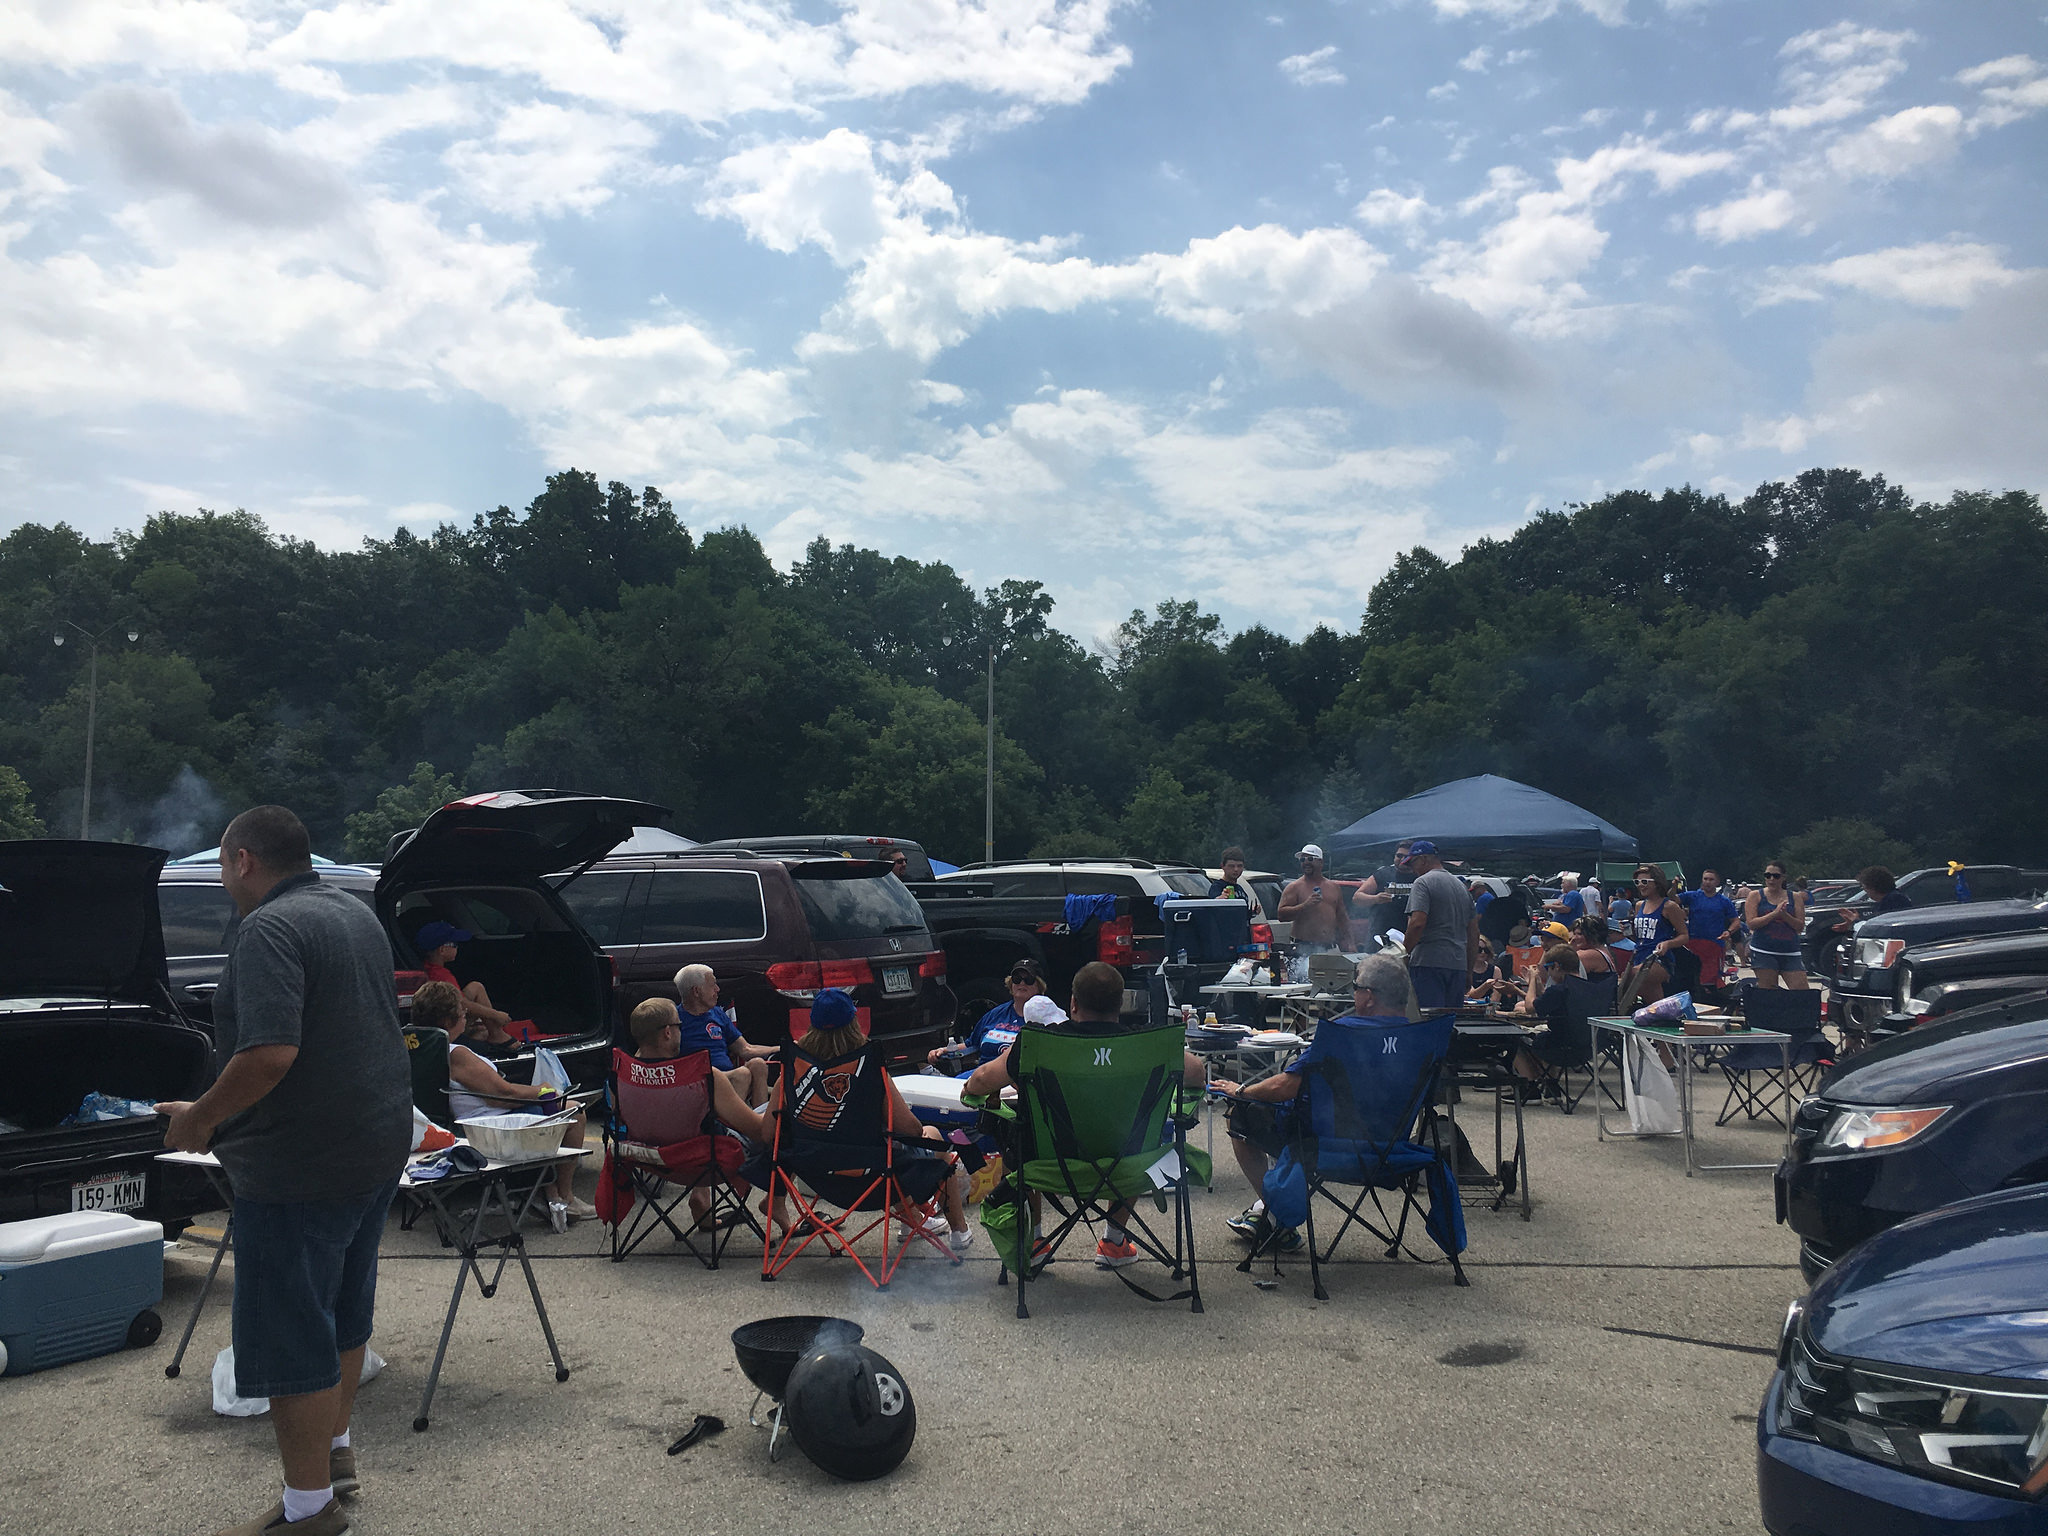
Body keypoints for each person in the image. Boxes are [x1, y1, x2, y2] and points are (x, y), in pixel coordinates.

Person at [156, 806, 412, 1536]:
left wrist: (201, 1118)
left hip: (302, 1165)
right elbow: (333, 1034)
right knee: (342, 1308)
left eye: (222, 869)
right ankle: (334, 1455)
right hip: (372, 1145)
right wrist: (211, 1102)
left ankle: (309, 1513)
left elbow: (270, 1053)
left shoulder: (267, 929)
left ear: (242, 860)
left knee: (291, 1330)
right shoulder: (353, 912)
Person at [963, 961, 1204, 1269]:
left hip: (1049, 1167)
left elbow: (982, 1080)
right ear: (1120, 1004)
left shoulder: (1041, 1044)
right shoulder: (1148, 1045)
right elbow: (1197, 1072)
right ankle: (1114, 1241)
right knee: (1135, 1135)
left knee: (1019, 1132)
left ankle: (1035, 1241)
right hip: (1131, 1166)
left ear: (1073, 1003)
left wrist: (968, 1087)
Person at [1210, 953, 1414, 1253]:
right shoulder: (1418, 1037)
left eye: (1355, 986)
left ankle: (1277, 1213)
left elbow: (1285, 1087)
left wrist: (1241, 1090)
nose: (1352, 992)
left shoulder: (1343, 1035)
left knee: (1239, 1114)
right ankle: (1269, 1214)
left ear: (1369, 997)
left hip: (1327, 1145)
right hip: (1392, 1148)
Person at [772, 989, 971, 1252]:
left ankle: (913, 1221)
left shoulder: (792, 1072)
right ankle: (959, 1233)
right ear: (854, 1023)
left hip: (817, 1175)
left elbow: (768, 1134)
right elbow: (909, 1128)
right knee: (929, 1135)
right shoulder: (868, 1071)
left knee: (893, 1152)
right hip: (872, 1181)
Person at [412, 980, 594, 1224]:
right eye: (462, 1011)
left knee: (554, 1106)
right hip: (484, 1129)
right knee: (573, 1111)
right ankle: (564, 1198)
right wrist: (543, 1090)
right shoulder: (456, 1054)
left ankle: (544, 1190)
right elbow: (502, 1096)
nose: (466, 1014)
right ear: (448, 1021)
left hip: (443, 1124)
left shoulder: (417, 1045)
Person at [624, 995, 770, 1230]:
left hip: (649, 1159)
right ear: (668, 1032)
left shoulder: (623, 1074)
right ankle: (779, 1208)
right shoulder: (703, 1076)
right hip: (705, 1162)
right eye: (679, 1026)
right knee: (781, 1129)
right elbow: (758, 1130)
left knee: (700, 1131)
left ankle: (701, 1198)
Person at [673, 964, 775, 1105]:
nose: (718, 989)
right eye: (713, 985)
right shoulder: (675, 1020)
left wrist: (782, 1047)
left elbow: (745, 1049)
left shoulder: (717, 1014)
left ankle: (760, 1120)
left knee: (758, 1064)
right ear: (696, 991)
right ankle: (730, 1125)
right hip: (697, 1083)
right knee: (742, 1075)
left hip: (728, 1078)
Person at [1400, 840, 1479, 1011]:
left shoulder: (1423, 883)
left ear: (1423, 859)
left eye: (1413, 862)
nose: (1412, 869)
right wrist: (1469, 970)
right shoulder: (1462, 887)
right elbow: (1474, 933)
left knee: (1427, 1019)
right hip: (1457, 966)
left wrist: (1402, 955)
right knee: (1449, 1022)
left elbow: (1417, 923)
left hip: (1428, 963)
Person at [929, 958, 1046, 1072]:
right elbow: (971, 1044)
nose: (1022, 983)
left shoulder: (1047, 1017)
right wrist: (943, 1050)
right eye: (1017, 978)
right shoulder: (996, 1014)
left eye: (1028, 979)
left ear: (1040, 986)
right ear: (1011, 983)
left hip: (1017, 1080)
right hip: (982, 1076)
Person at [414, 920, 517, 1046]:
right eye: (455, 944)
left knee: (476, 987)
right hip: (448, 1019)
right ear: (442, 950)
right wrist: (496, 1015)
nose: (458, 947)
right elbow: (462, 1004)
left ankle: (482, 1032)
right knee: (475, 990)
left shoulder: (429, 969)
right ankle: (497, 1035)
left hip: (443, 1016)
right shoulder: (441, 975)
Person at [1509, 944, 1594, 1089]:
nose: (1547, 973)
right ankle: (1550, 1087)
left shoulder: (1559, 990)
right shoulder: (1589, 988)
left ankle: (1530, 1087)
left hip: (1559, 1046)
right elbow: (1546, 1002)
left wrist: (1532, 981)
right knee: (1545, 1036)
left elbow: (1530, 1008)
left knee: (1513, 1039)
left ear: (1556, 966)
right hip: (1588, 1046)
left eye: (1547, 968)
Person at [1278, 844, 1353, 979]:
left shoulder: (1333, 887)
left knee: (1330, 987)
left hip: (1328, 947)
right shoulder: (1295, 887)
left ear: (1321, 862)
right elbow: (1281, 915)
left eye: (1310, 859)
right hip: (1303, 947)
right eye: (1303, 860)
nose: (1306, 863)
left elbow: (1342, 916)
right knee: (1303, 987)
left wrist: (1350, 941)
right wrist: (1304, 906)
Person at [1625, 865, 1691, 1005]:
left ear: (1656, 882)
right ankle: (1660, 1014)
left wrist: (1668, 943)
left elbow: (1684, 935)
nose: (1640, 886)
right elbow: (1639, 935)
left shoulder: (1669, 906)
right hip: (1640, 955)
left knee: (1635, 975)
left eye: (1644, 882)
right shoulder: (1639, 906)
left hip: (1660, 959)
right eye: (1637, 882)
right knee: (1653, 1003)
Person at [1745, 861, 1809, 990]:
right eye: (1768, 875)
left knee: (1801, 991)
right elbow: (1752, 923)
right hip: (1764, 951)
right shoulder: (1755, 895)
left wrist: (1785, 915)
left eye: (1776, 876)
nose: (1771, 879)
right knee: (1769, 993)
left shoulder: (1795, 897)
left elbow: (1800, 927)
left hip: (1790, 951)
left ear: (1783, 878)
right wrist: (1774, 913)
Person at [1679, 868, 1742, 986]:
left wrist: (1728, 932)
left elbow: (1736, 922)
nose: (1708, 882)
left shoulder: (1724, 901)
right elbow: (1672, 899)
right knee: (1691, 977)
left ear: (1717, 882)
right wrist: (1673, 887)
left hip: (1714, 944)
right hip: (1693, 943)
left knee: (1711, 980)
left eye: (1711, 879)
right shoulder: (1692, 896)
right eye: (1705, 879)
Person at [1351, 841, 1411, 940]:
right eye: (1399, 856)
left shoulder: (1420, 875)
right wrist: (1375, 898)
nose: (1402, 859)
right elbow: (1357, 897)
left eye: (1407, 857)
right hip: (1381, 935)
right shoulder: (1383, 874)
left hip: (1410, 935)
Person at [1833, 866, 1912, 931]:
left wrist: (1855, 921)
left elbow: (1877, 929)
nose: (1866, 892)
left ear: (1873, 887)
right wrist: (1852, 925)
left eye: (1865, 889)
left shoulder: (1893, 900)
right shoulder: (1895, 897)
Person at [1208, 847, 1263, 915]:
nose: (1236, 869)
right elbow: (1212, 908)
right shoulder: (1217, 887)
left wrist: (1253, 912)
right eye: (1231, 866)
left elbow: (1241, 915)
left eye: (1239, 866)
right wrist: (1220, 900)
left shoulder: (1240, 889)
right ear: (1223, 866)